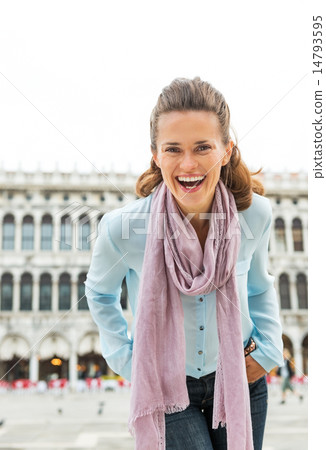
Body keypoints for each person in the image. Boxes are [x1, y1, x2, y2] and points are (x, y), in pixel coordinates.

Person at [85, 77, 284, 450]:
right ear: (156, 155)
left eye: (203, 147)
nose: (188, 164)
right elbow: (99, 293)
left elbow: (260, 285)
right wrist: (129, 361)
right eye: (173, 149)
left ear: (226, 150)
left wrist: (268, 349)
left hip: (240, 379)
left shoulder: (254, 215)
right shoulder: (123, 229)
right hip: (167, 386)